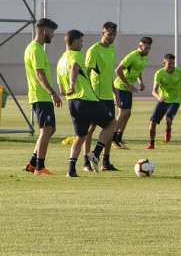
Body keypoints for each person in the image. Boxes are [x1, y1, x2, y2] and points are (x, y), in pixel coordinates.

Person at [56, 29, 117, 177]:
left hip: (72, 102)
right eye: (81, 42)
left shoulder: (60, 61)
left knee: (81, 136)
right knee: (112, 123)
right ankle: (95, 154)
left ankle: (71, 169)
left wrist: (68, 90)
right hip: (85, 99)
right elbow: (75, 67)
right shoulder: (75, 55)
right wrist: (72, 84)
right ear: (75, 42)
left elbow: (60, 88)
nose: (82, 45)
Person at [23, 18, 62, 176]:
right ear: (45, 32)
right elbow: (39, 74)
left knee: (51, 129)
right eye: (52, 32)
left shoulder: (34, 48)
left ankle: (32, 163)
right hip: (41, 95)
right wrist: (52, 92)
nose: (52, 35)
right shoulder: (36, 49)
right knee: (46, 130)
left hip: (41, 96)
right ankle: (40, 167)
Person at [83, 22, 118, 172]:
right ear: (102, 33)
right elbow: (87, 73)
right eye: (109, 34)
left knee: (110, 128)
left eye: (114, 34)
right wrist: (91, 93)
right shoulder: (94, 50)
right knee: (90, 129)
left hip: (108, 96)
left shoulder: (112, 50)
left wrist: (114, 93)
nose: (112, 37)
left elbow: (108, 74)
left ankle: (105, 162)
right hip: (95, 96)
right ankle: (86, 163)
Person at [112, 37, 152, 149]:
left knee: (128, 114)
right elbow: (118, 70)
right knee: (123, 113)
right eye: (146, 48)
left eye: (149, 48)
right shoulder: (131, 56)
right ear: (140, 46)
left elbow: (138, 70)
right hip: (121, 86)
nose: (147, 50)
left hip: (128, 88)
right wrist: (128, 85)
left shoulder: (144, 58)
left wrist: (141, 82)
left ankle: (119, 138)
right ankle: (112, 138)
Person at [147, 54, 181, 149]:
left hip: (175, 100)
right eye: (169, 64)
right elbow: (154, 90)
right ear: (164, 63)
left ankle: (168, 129)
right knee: (152, 123)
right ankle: (151, 144)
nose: (172, 66)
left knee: (167, 120)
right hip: (163, 100)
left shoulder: (180, 72)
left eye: (173, 63)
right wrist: (158, 97)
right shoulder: (159, 74)